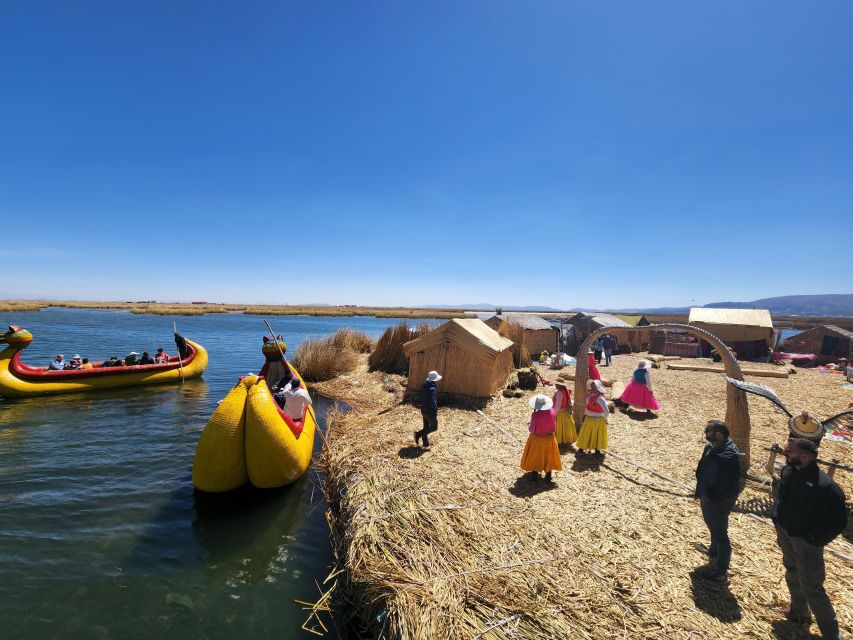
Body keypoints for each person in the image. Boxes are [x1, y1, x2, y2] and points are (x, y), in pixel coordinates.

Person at [773, 438, 846, 638]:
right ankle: (799, 612)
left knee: (812, 586)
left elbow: (838, 522)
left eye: (790, 451)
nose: (785, 452)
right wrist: (777, 519)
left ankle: (831, 634)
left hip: (807, 543)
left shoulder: (825, 486)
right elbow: (782, 498)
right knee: (791, 570)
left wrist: (814, 539)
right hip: (786, 533)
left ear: (804, 457)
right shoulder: (788, 471)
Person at [695, 420, 742, 581]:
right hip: (708, 494)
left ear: (719, 434)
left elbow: (728, 481)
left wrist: (713, 495)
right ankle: (713, 551)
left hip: (719, 499)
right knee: (712, 525)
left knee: (720, 532)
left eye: (708, 431)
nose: (705, 433)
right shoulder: (711, 446)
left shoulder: (728, 455)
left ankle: (721, 569)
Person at [520, 393, 562, 482]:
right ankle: (548, 477)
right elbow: (554, 426)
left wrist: (530, 424)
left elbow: (532, 430)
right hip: (550, 439)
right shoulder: (553, 412)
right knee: (549, 457)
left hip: (537, 440)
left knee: (536, 457)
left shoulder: (535, 415)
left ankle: (534, 478)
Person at [577, 379, 609, 456]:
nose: (592, 387)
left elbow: (606, 411)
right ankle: (581, 448)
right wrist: (584, 415)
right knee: (585, 433)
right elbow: (587, 406)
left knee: (597, 434)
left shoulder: (600, 398)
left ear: (598, 387)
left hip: (597, 420)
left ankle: (597, 450)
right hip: (588, 418)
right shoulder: (590, 394)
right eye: (592, 385)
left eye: (594, 386)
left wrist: (605, 419)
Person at [415, 371, 441, 448]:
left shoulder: (424, 385)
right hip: (430, 410)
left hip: (423, 409)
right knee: (434, 427)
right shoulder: (432, 387)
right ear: (434, 379)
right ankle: (418, 434)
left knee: (426, 427)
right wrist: (435, 408)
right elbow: (432, 400)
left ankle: (425, 443)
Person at [552, 381, 577, 446]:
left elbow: (558, 405)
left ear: (560, 385)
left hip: (560, 413)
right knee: (566, 427)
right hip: (565, 412)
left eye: (557, 384)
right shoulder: (565, 391)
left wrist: (553, 414)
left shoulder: (560, 393)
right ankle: (565, 440)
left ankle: (560, 441)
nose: (556, 385)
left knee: (560, 427)